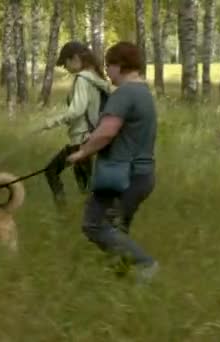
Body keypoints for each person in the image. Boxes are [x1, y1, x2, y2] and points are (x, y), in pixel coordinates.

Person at [66, 41, 159, 282]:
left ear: (120, 65)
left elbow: (107, 131)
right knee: (117, 230)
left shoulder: (125, 94)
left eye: (109, 66)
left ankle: (145, 264)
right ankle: (121, 279)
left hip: (121, 177)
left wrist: (82, 152)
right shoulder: (144, 93)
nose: (107, 71)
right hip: (142, 176)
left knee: (94, 225)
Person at [41, 41, 111, 205]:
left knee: (55, 173)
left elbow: (76, 111)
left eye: (65, 63)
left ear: (74, 58)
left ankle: (65, 215)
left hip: (82, 140)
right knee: (85, 187)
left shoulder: (82, 79)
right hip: (91, 137)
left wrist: (50, 122)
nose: (65, 67)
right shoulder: (95, 78)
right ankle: (76, 217)